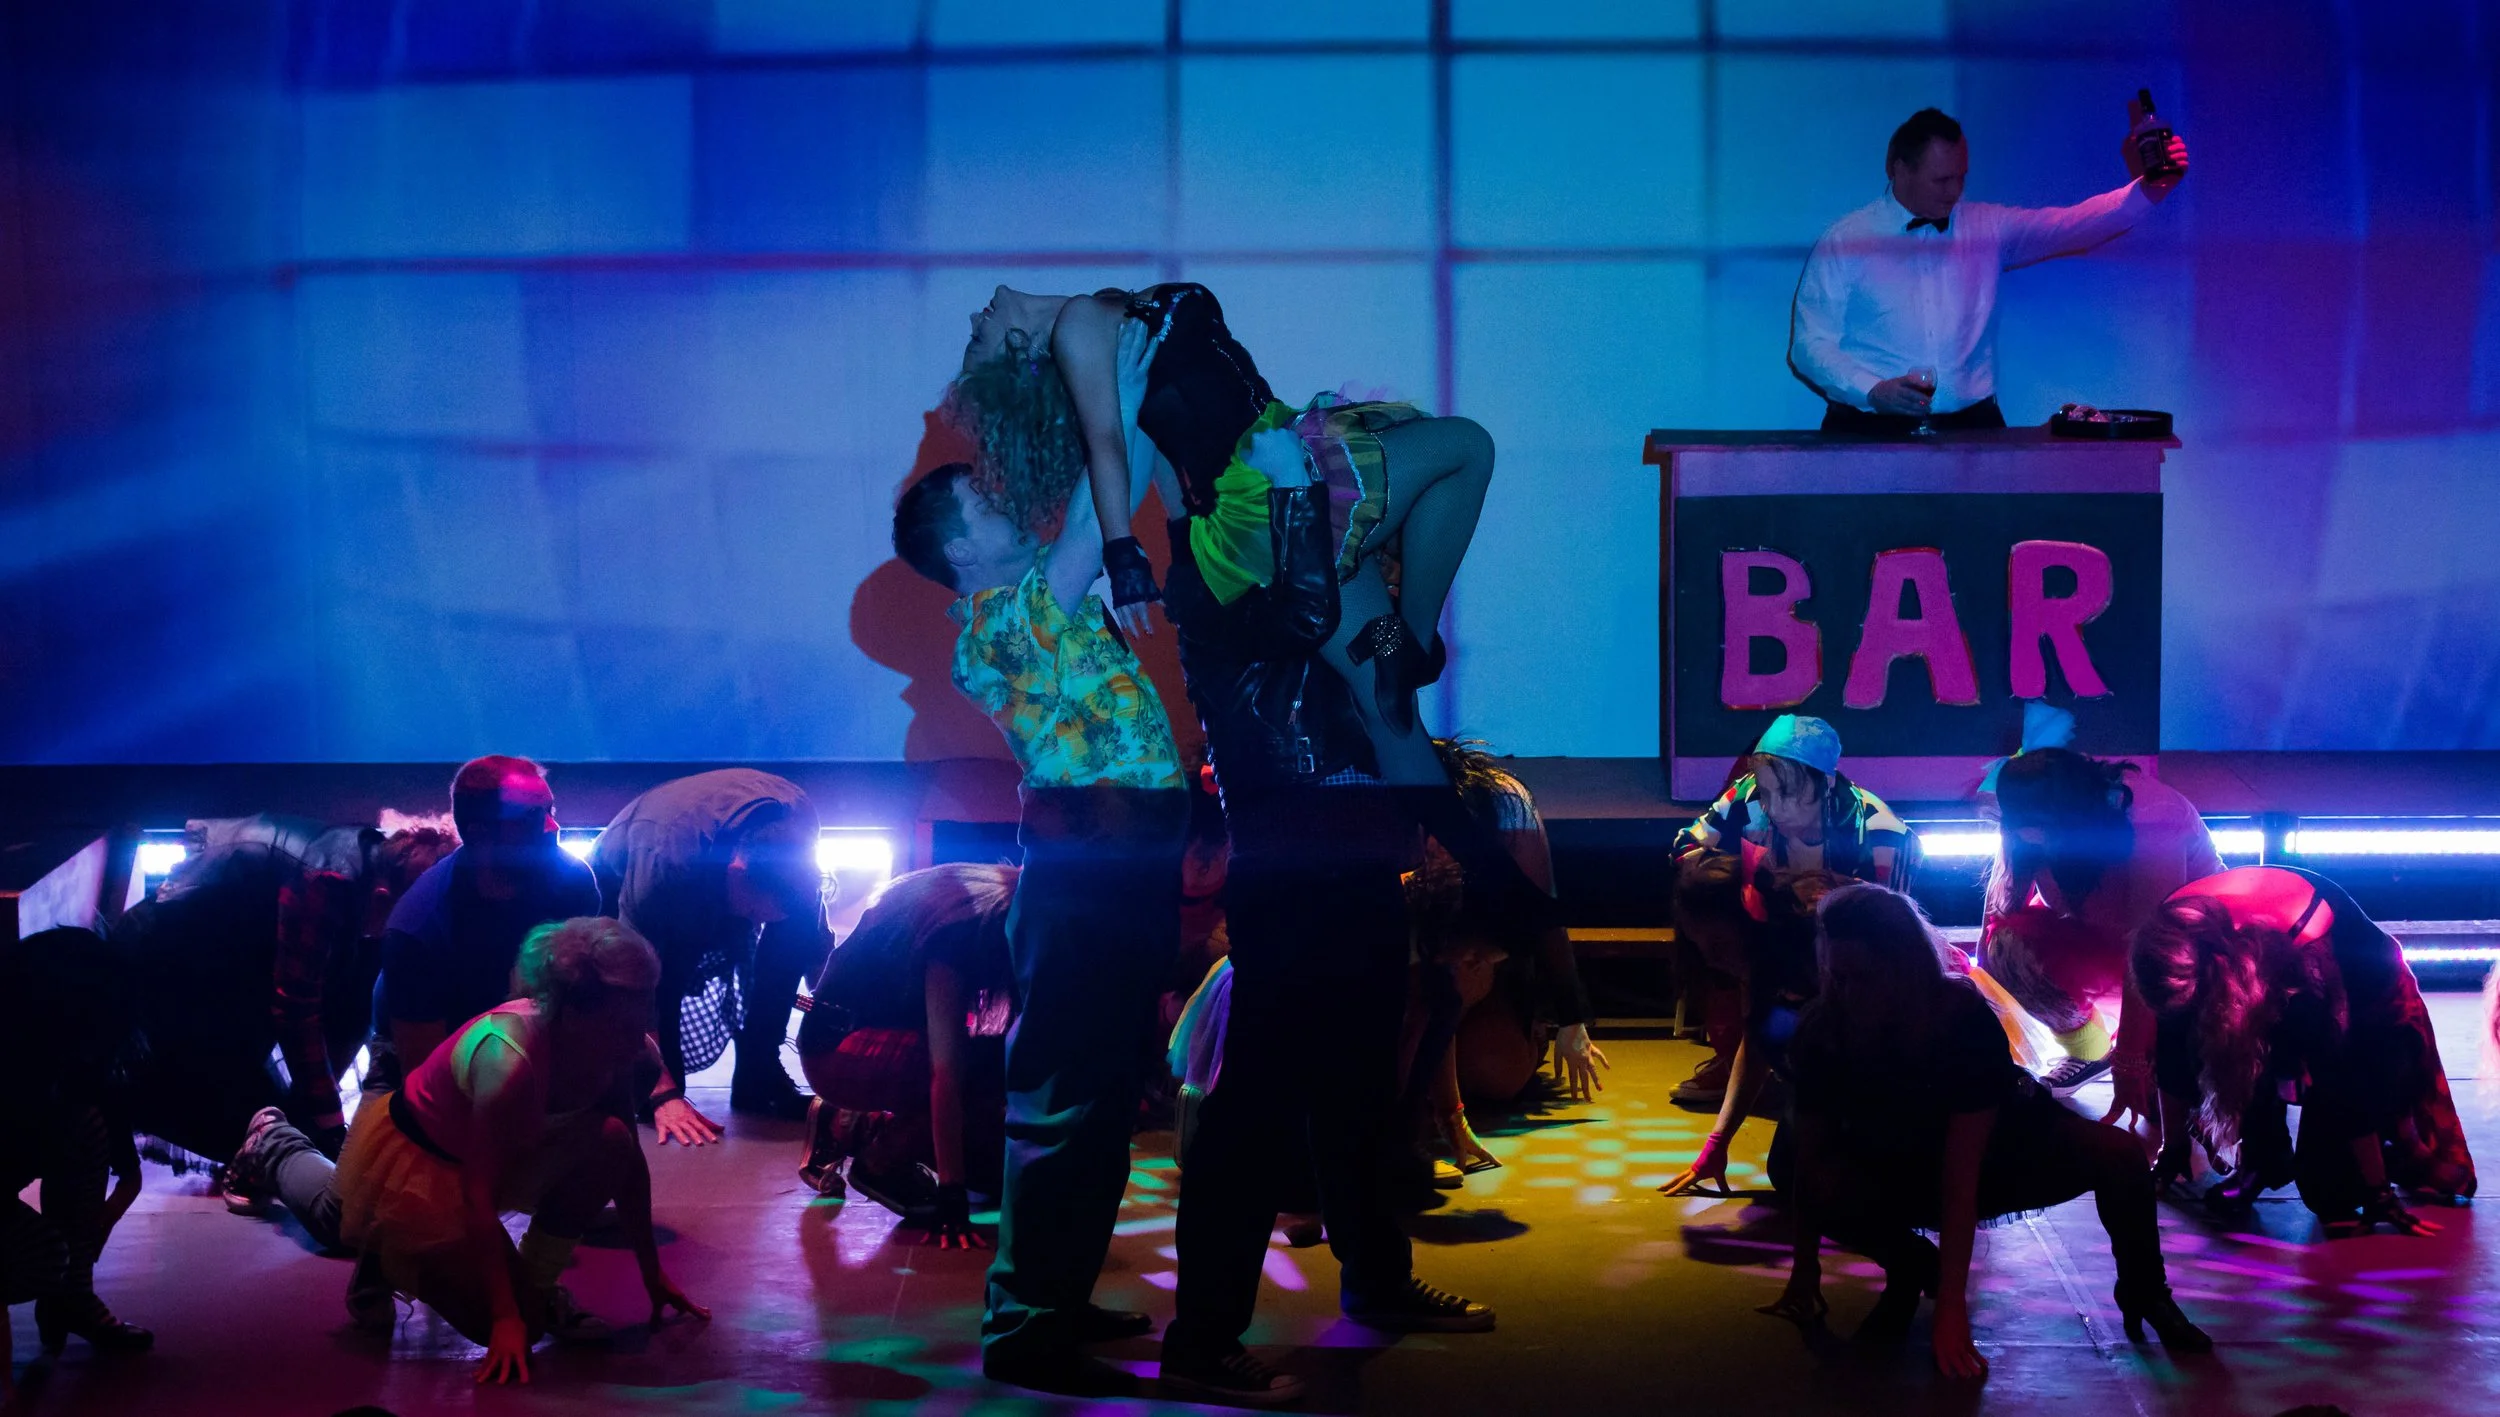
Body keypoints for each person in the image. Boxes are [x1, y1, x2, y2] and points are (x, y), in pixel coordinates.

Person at [1155, 408, 1494, 1407]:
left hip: (1359, 873)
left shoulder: (1361, 605)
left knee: (1358, 1096)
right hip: (1289, 877)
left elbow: (1405, 671)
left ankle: (1377, 1280)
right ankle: (1202, 1339)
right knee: (1253, 1113)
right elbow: (1452, 453)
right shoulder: (1231, 582)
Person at [892, 345, 1184, 1396]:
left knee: (1095, 1104)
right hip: (1088, 870)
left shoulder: (1025, 605)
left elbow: (1114, 497)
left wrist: (1128, 405)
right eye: (982, 501)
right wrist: (1125, 387)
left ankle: (1054, 1297)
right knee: (1065, 1106)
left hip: (1118, 863)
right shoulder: (1005, 622)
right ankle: (1026, 1329)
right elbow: (1107, 511)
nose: (1004, 501)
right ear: (958, 548)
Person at [950, 281, 1493, 755]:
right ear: (1018, 351)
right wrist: (1123, 554)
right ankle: (1415, 644)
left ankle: (1413, 669)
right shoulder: (1078, 327)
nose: (976, 316)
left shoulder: (1098, 311)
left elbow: (1138, 441)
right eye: (978, 338)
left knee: (1388, 709)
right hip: (1266, 487)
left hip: (1285, 450)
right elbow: (1107, 444)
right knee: (1468, 446)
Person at [1763, 885, 2208, 1380]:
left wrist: (1953, 1310)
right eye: (1837, 977)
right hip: (1891, 1164)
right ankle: (1909, 1265)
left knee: (2120, 1153)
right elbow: (1811, 1157)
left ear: (1903, 968)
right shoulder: (1824, 1030)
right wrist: (1805, 1269)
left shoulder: (1958, 1020)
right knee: (1800, 1171)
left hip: (2000, 1154)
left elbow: (1962, 1176)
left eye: (1864, 977)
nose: (1848, 993)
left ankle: (2146, 1293)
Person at [331, 918, 705, 1384]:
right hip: (424, 1164)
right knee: (332, 1213)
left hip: (506, 1149)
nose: (638, 1040)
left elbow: (627, 1163)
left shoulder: (628, 1054)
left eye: (644, 1019)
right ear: (574, 1015)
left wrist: (653, 1274)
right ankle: (278, 1149)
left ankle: (535, 1289)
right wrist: (506, 1317)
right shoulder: (508, 1063)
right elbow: (477, 1194)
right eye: (622, 1026)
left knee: (612, 1141)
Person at [1790, 103, 2191, 433]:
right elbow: (1810, 346)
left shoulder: (1988, 227)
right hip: (1868, 430)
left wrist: (2149, 190)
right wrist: (1871, 390)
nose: (1954, 192)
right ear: (1899, 169)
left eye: (1961, 178)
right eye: (1941, 180)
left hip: (1973, 430)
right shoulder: (1846, 240)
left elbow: (2069, 226)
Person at [2133, 866, 2478, 1229]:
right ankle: (2263, 1161)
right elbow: (2172, 1049)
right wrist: (2172, 1148)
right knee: (2206, 1042)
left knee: (2331, 1195)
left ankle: (2396, 1141)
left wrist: (2379, 1194)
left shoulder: (2309, 953)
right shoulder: (2171, 935)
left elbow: (2341, 1069)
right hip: (2259, 980)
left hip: (2369, 1007)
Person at [111, 813, 455, 1172]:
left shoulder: (379, 863)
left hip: (228, 963)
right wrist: (329, 1123)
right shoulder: (327, 882)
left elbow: (352, 1018)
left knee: (283, 1119)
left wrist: (321, 1117)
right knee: (242, 1122)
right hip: (164, 963)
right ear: (383, 900)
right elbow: (296, 1010)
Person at [1663, 715, 1913, 1119]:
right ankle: (1739, 1054)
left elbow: (1894, 932)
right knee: (1710, 902)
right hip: (1772, 934)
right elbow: (1684, 848)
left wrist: (1839, 896)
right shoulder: (1746, 797)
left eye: (1790, 793)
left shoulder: (1880, 834)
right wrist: (1757, 882)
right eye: (1767, 792)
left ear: (1825, 783)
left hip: (1847, 950)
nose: (1776, 807)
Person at [1984, 748, 2222, 1099]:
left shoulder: (2152, 815)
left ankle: (2157, 1047)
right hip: (2111, 948)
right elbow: (1997, 916)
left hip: (2185, 962)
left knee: (2170, 1091)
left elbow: (2155, 945)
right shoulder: (2030, 822)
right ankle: (2092, 1053)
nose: (2028, 836)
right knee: (2005, 946)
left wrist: (2131, 1056)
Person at [590, 768, 827, 1120]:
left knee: (796, 931)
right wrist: (662, 1092)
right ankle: (650, 1084)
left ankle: (759, 1075)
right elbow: (633, 976)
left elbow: (812, 934)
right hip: (624, 869)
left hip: (715, 869)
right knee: (663, 1006)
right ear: (736, 871)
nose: (754, 928)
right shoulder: (665, 866)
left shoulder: (799, 827)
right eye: (752, 914)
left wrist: (829, 1003)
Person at [795, 863, 1014, 1217]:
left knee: (994, 1175)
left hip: (873, 1040)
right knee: (986, 1068)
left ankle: (851, 1124)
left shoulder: (996, 899)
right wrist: (952, 1196)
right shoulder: (960, 930)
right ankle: (878, 1159)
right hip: (837, 1053)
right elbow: (946, 1071)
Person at [373, 757, 602, 1094]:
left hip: (526, 1038)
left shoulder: (573, 883)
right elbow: (426, 1085)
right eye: (532, 817)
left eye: (550, 810)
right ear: (479, 833)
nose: (553, 827)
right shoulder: (419, 929)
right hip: (426, 1055)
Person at [2, 927, 151, 1395]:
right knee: (41, 1255)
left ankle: (72, 1296)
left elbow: (123, 1164)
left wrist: (102, 1218)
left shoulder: (72, 1072)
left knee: (84, 1125)